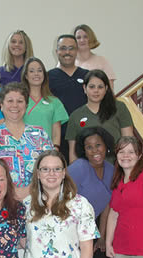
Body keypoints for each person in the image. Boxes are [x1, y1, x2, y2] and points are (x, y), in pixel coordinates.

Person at [68, 127, 115, 258]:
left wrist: (102, 236)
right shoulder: (79, 167)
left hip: (89, 229)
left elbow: (107, 206)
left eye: (98, 145)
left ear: (106, 147)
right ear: (83, 150)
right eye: (88, 147)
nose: (94, 150)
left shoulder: (113, 170)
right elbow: (62, 196)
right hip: (68, 227)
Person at [0, 82, 53, 201]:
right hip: (3, 199)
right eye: (10, 101)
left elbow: (51, 168)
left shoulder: (40, 134)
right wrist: (12, 192)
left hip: (38, 199)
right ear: (1, 105)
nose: (15, 105)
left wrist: (29, 190)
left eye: (20, 101)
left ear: (26, 105)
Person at [66, 69, 133, 163]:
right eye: (92, 87)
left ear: (106, 88)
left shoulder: (119, 107)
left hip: (116, 168)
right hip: (87, 171)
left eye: (100, 87)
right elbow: (73, 155)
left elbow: (128, 141)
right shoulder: (75, 116)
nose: (96, 91)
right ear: (84, 88)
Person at [48, 34, 88, 163]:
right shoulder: (48, 77)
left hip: (85, 136)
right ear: (56, 51)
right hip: (59, 138)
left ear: (77, 51)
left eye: (71, 48)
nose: (67, 52)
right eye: (63, 48)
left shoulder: (87, 76)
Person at [21, 56, 68, 147]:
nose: (36, 74)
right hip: (23, 150)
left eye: (39, 70)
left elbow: (56, 132)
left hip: (46, 151)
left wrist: (56, 149)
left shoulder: (54, 102)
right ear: (26, 75)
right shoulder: (20, 100)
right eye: (32, 71)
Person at [74, 24, 116, 89]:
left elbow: (110, 90)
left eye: (85, 37)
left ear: (91, 38)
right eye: (78, 37)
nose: (82, 40)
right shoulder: (68, 63)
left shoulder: (102, 61)